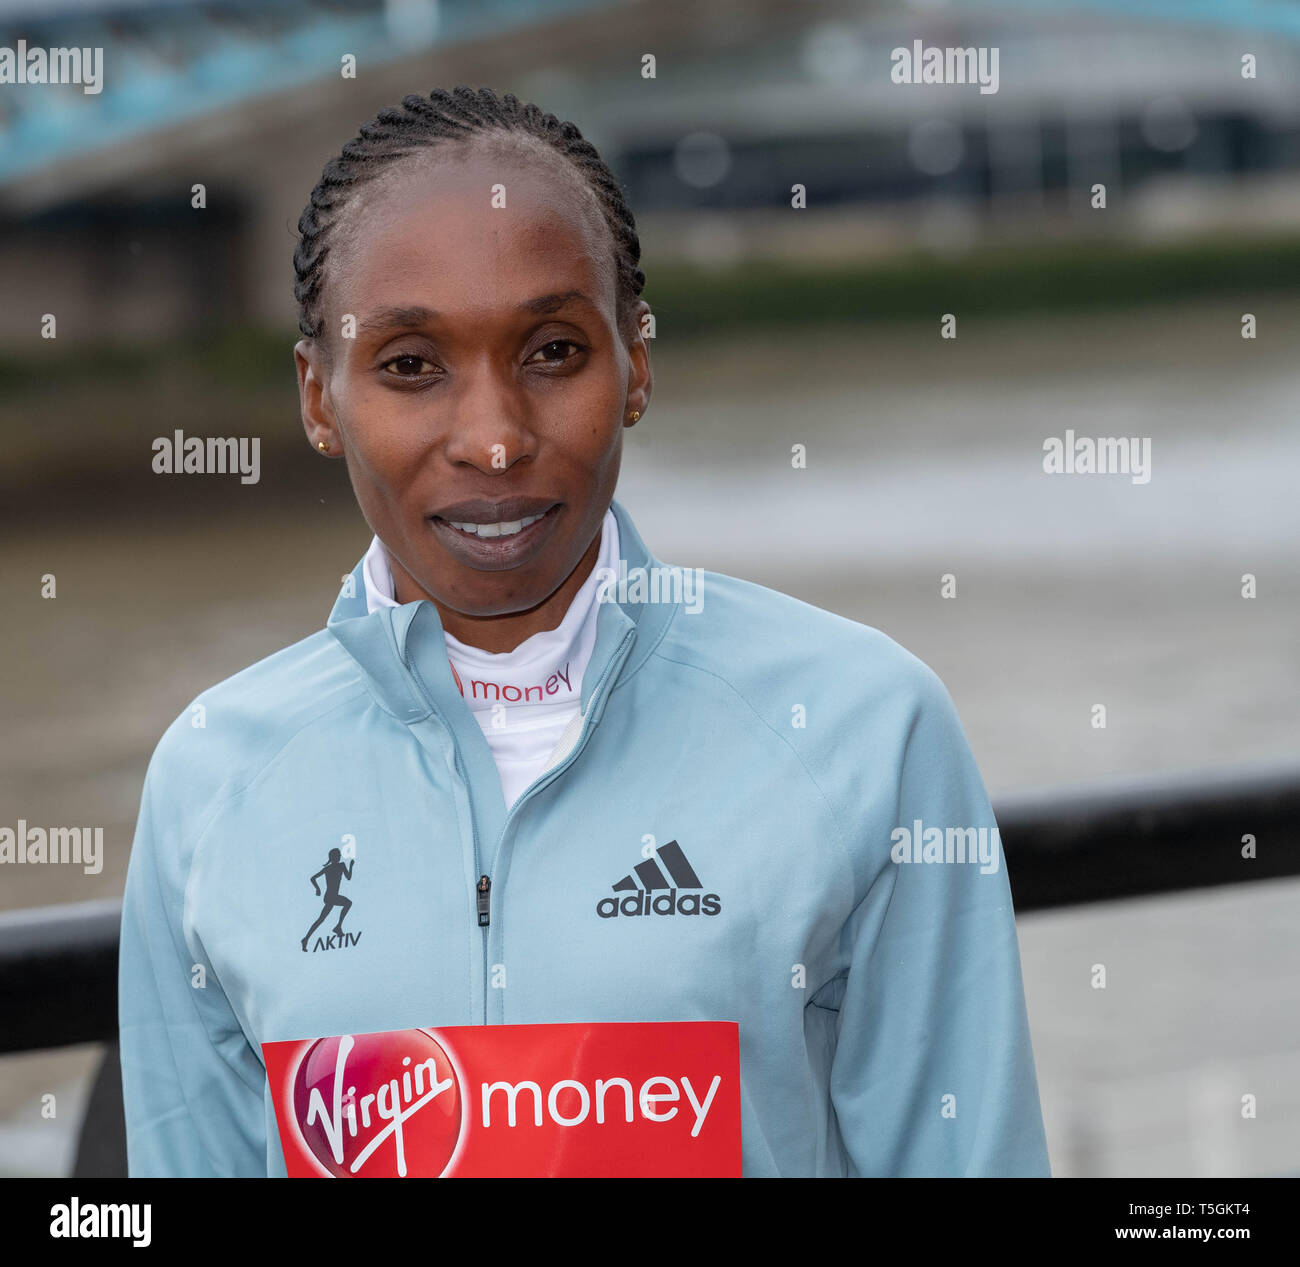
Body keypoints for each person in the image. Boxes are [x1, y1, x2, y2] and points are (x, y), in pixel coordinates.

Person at [118, 85, 1050, 1177]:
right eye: (411, 365)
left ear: (636, 363)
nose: (496, 439)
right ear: (319, 398)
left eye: (553, 350)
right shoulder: (209, 782)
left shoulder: (863, 728)